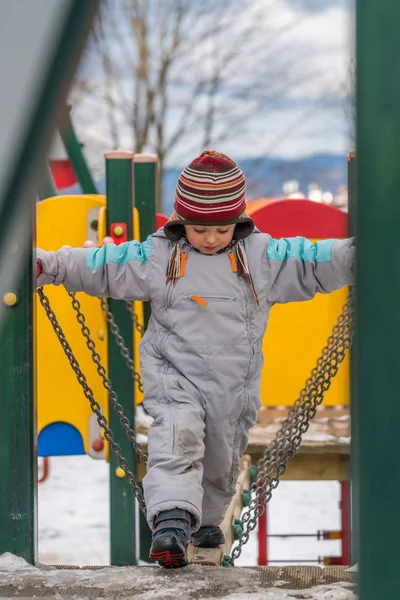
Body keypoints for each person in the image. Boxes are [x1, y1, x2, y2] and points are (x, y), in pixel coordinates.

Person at [36, 150, 355, 568]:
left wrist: (360, 256)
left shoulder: (263, 258)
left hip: (232, 385)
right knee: (175, 439)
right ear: (180, 220)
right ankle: (169, 522)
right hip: (174, 375)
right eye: (199, 227)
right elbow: (104, 265)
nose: (209, 238)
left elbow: (313, 261)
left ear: (238, 222)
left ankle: (204, 520)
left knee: (223, 459)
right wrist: (52, 265)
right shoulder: (160, 256)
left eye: (221, 228)